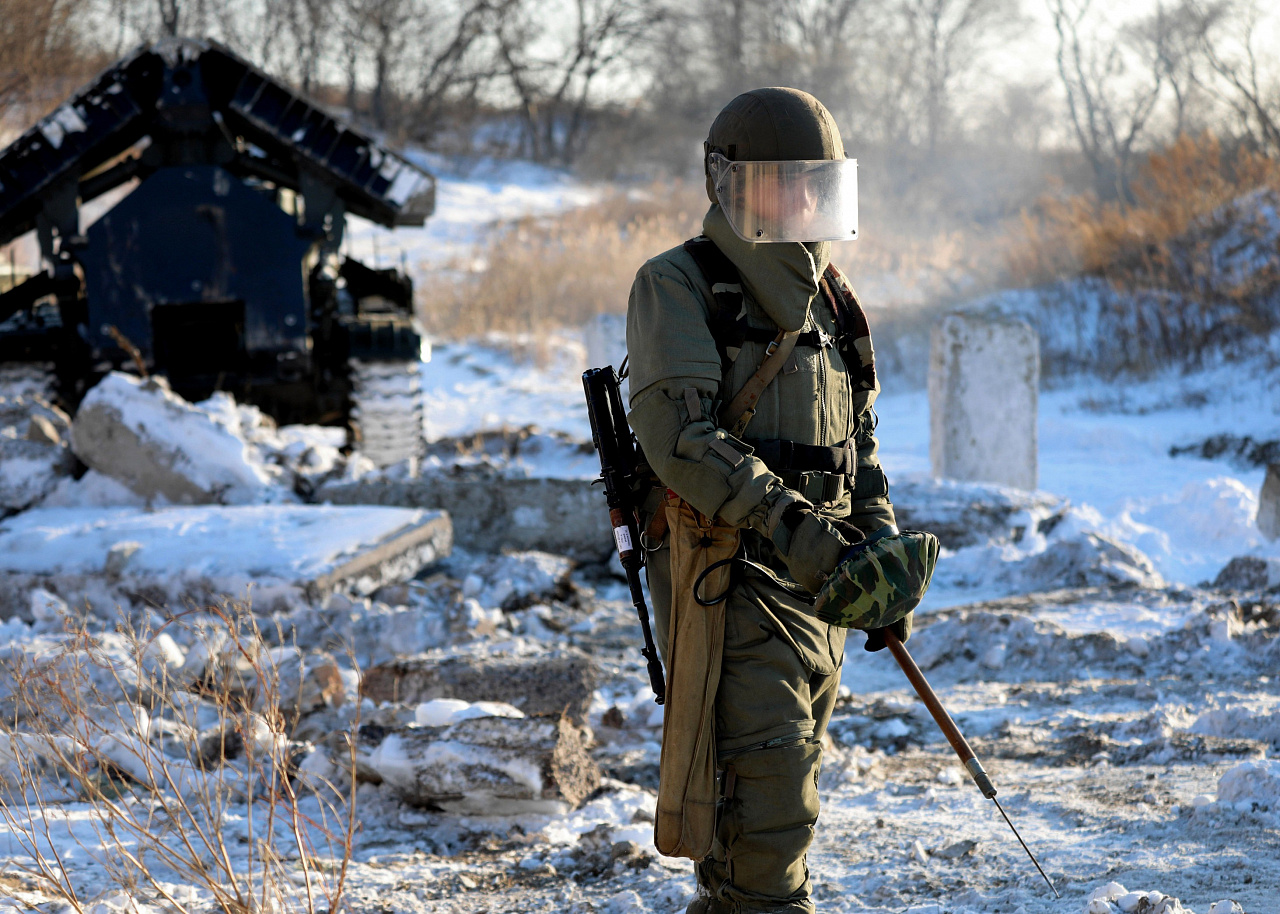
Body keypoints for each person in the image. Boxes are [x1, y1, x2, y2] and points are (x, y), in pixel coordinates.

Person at [624, 87, 906, 914]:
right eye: (790, 180)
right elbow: (683, 442)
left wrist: (878, 553)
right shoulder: (676, 285)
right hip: (731, 585)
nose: (809, 201)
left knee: (759, 825)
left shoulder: (834, 299)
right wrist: (799, 532)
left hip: (823, 595)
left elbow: (861, 447)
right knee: (769, 822)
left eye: (821, 182)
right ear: (733, 185)